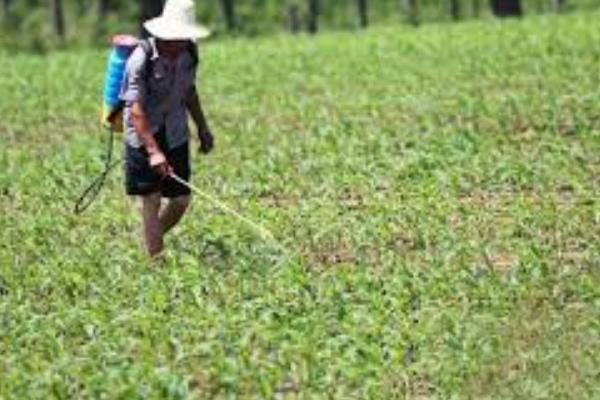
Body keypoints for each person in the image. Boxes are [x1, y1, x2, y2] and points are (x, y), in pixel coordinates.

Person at [120, 0, 214, 258]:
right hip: (142, 133)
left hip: (174, 131)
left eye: (183, 38)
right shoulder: (141, 59)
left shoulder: (189, 54)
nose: (177, 44)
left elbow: (189, 92)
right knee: (151, 198)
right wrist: (153, 151)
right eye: (173, 38)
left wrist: (202, 127)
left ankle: (151, 241)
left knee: (181, 200)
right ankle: (155, 262)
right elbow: (136, 109)